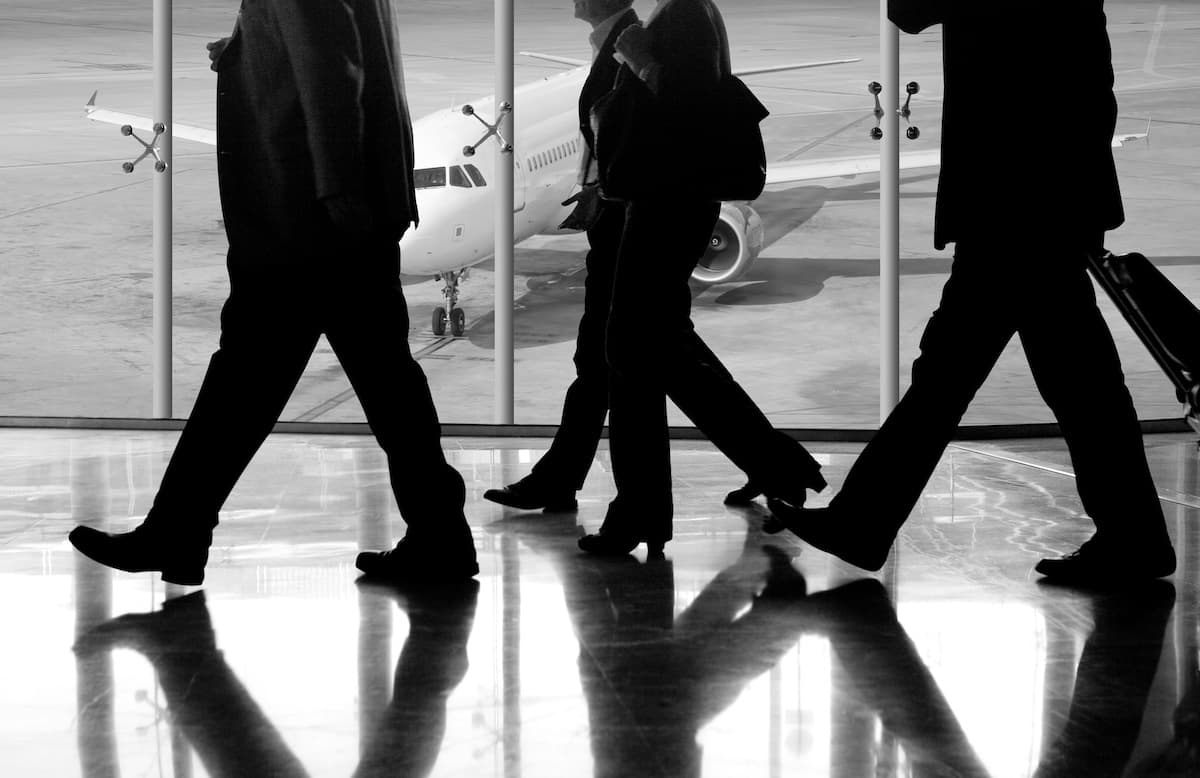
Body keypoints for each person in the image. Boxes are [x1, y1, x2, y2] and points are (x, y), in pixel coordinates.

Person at [766, 1, 1176, 585]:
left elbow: (907, 9)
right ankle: (1135, 538)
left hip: (1013, 201)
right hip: (1043, 197)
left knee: (961, 376)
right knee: (1073, 382)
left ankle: (863, 522)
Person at [68, 0, 477, 584]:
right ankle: (440, 535)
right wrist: (242, 55)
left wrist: (336, 193)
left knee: (251, 377)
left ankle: (176, 532)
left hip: (305, 213)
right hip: (345, 209)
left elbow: (334, 73)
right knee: (381, 383)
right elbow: (335, 53)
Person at [576, 0, 827, 557]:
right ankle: (774, 468)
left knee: (630, 350)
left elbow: (686, 105)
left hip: (667, 204)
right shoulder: (686, 9)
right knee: (659, 352)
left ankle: (642, 508)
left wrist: (639, 60)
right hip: (674, 203)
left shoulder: (683, 13)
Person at [484, 0, 755, 514]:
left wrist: (641, 63)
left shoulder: (661, 26)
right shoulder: (652, 24)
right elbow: (628, 131)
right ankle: (575, 483)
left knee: (633, 359)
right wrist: (597, 186)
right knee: (634, 358)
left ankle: (634, 499)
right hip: (628, 213)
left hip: (642, 220)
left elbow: (677, 116)